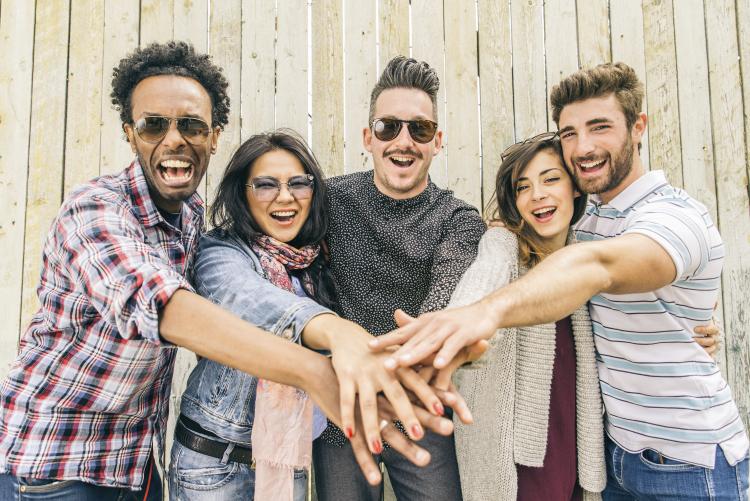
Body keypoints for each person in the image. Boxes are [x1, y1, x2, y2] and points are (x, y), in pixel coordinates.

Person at [0, 42, 450, 501]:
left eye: (191, 125)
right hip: (54, 466)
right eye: (154, 124)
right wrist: (321, 358)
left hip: (138, 463)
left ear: (213, 137)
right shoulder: (98, 210)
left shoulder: (193, 217)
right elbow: (170, 306)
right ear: (130, 134)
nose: (174, 139)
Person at [373, 62, 749, 500]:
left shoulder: (674, 217)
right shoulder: (587, 223)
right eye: (569, 133)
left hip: (688, 464)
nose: (583, 146)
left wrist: (484, 313)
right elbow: (493, 271)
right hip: (616, 461)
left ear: (638, 126)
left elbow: (597, 267)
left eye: (600, 127)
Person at [168, 130, 467, 501]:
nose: (285, 197)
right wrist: (334, 330)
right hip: (216, 465)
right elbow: (247, 298)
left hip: (288, 460)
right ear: (242, 193)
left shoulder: (313, 260)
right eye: (265, 185)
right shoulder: (221, 252)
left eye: (298, 183)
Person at [312, 56, 486, 501]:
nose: (404, 141)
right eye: (389, 127)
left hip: (417, 402)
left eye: (420, 129)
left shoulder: (458, 219)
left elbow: (437, 315)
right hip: (341, 409)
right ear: (368, 137)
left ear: (438, 141)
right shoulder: (327, 201)